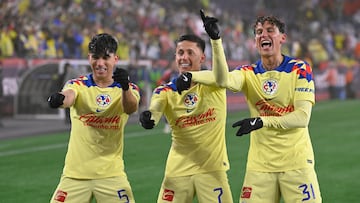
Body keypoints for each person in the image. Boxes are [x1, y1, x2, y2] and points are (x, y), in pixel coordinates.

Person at [183, 10, 322, 203]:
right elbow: (222, 80)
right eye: (258, 32)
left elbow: (301, 118)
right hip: (259, 168)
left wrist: (261, 121)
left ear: (282, 38)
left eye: (270, 30)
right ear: (255, 41)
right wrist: (215, 41)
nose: (263, 34)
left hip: (296, 165)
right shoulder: (248, 72)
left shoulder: (299, 69)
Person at [139, 34, 233, 203]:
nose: (184, 57)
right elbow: (155, 110)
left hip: (212, 170)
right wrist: (149, 118)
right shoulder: (165, 91)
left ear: (202, 57)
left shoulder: (215, 84)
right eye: (180, 52)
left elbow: (221, 76)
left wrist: (216, 40)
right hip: (177, 172)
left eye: (190, 52)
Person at [47, 33, 140, 203]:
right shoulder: (78, 85)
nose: (100, 63)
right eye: (95, 57)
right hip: (75, 175)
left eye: (106, 57)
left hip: (111, 174)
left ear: (115, 58)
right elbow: (69, 96)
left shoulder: (128, 88)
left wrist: (125, 87)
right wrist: (59, 99)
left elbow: (131, 108)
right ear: (89, 58)